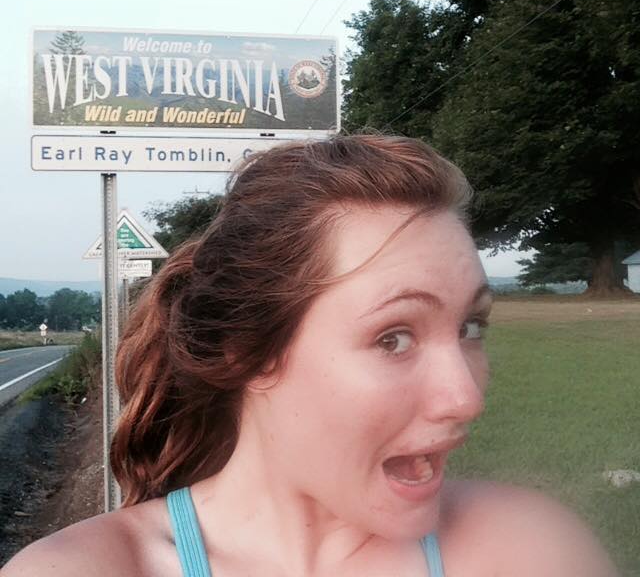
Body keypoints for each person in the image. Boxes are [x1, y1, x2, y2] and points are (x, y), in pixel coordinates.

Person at [3, 135, 618, 576]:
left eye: (471, 327)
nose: (467, 397)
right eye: (394, 337)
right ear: (247, 351)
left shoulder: (530, 549)